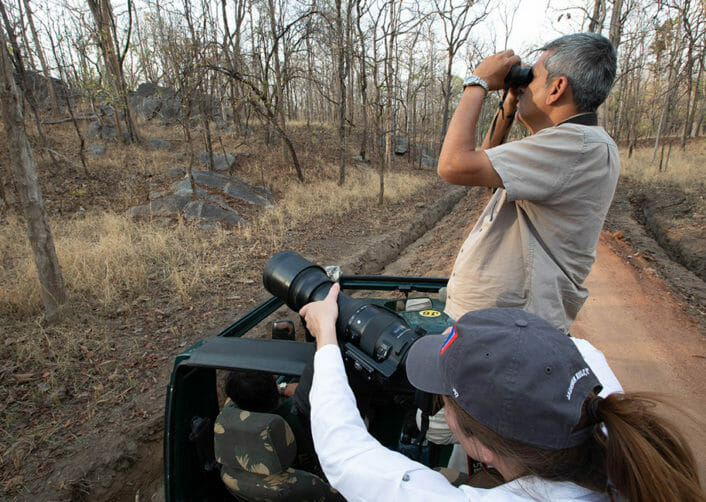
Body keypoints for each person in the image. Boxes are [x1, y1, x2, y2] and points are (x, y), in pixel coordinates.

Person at [300, 284, 704, 502]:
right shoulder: (607, 418)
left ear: (480, 449)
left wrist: (327, 336)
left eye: (445, 399)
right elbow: (581, 350)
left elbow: (346, 453)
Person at [438, 33, 620, 333]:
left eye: (532, 77)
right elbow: (481, 166)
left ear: (557, 88)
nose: (524, 84)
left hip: (511, 330)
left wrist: (477, 82)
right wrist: (511, 99)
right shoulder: (576, 143)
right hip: (506, 325)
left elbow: (453, 166)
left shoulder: (575, 146)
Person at [223, 370, 319, 473]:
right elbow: (311, 390)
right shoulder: (297, 411)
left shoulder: (232, 415)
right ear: (274, 377)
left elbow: (229, 402)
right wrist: (282, 388)